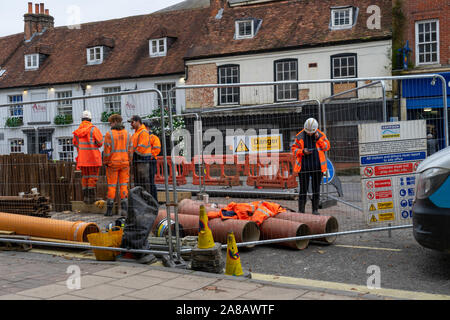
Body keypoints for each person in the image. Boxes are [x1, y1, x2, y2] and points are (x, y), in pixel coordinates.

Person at [291, 118, 330, 215]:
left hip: (317, 168)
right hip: (304, 168)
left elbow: (326, 147)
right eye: (307, 132)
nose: (309, 134)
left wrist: (318, 139)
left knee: (316, 189)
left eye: (311, 132)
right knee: (303, 190)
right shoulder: (299, 136)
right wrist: (302, 151)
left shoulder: (321, 135)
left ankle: (315, 210)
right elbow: (294, 149)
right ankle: (301, 210)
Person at [103, 114, 132, 217]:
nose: (110, 124)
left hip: (113, 164)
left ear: (115, 122)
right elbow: (130, 150)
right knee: (124, 185)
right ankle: (124, 211)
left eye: (110, 122)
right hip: (125, 163)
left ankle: (109, 210)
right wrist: (129, 161)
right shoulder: (127, 134)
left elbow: (106, 151)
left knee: (112, 186)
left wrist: (106, 162)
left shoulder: (109, 134)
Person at [73, 110, 103, 204]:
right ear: (90, 119)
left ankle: (86, 198)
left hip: (82, 159)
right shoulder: (93, 129)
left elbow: (75, 144)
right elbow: (100, 143)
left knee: (85, 177)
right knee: (92, 178)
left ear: (82, 119)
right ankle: (91, 198)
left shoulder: (77, 132)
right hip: (93, 158)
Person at [129, 115, 153, 195]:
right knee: (139, 182)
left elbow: (141, 148)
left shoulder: (143, 132)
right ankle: (141, 201)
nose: (131, 124)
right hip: (138, 161)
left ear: (137, 121)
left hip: (142, 161)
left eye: (132, 122)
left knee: (144, 182)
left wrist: (132, 154)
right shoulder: (137, 133)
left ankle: (147, 201)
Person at [143, 119, 162, 202]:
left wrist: (148, 156)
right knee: (145, 182)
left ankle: (154, 201)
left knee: (150, 182)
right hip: (145, 161)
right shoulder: (144, 137)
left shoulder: (153, 138)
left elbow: (156, 150)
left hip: (150, 161)